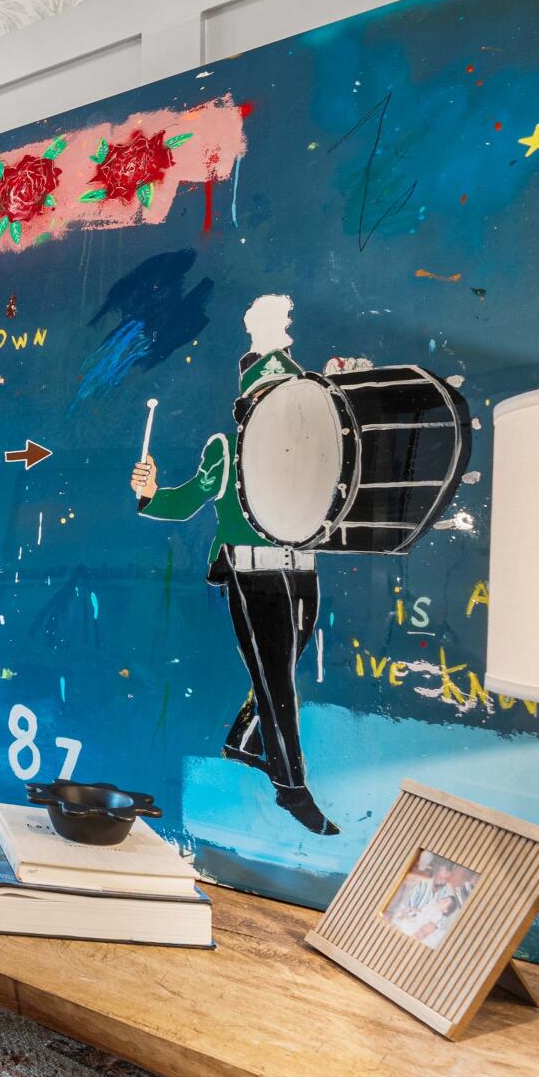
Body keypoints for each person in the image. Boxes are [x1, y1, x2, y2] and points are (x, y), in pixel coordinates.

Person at [131, 293, 340, 836]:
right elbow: (187, 501)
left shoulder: (310, 451)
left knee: (281, 674)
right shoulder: (227, 449)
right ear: (248, 406)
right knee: (276, 683)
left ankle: (244, 741)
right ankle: (292, 789)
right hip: (253, 576)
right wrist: (151, 494)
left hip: (303, 571)